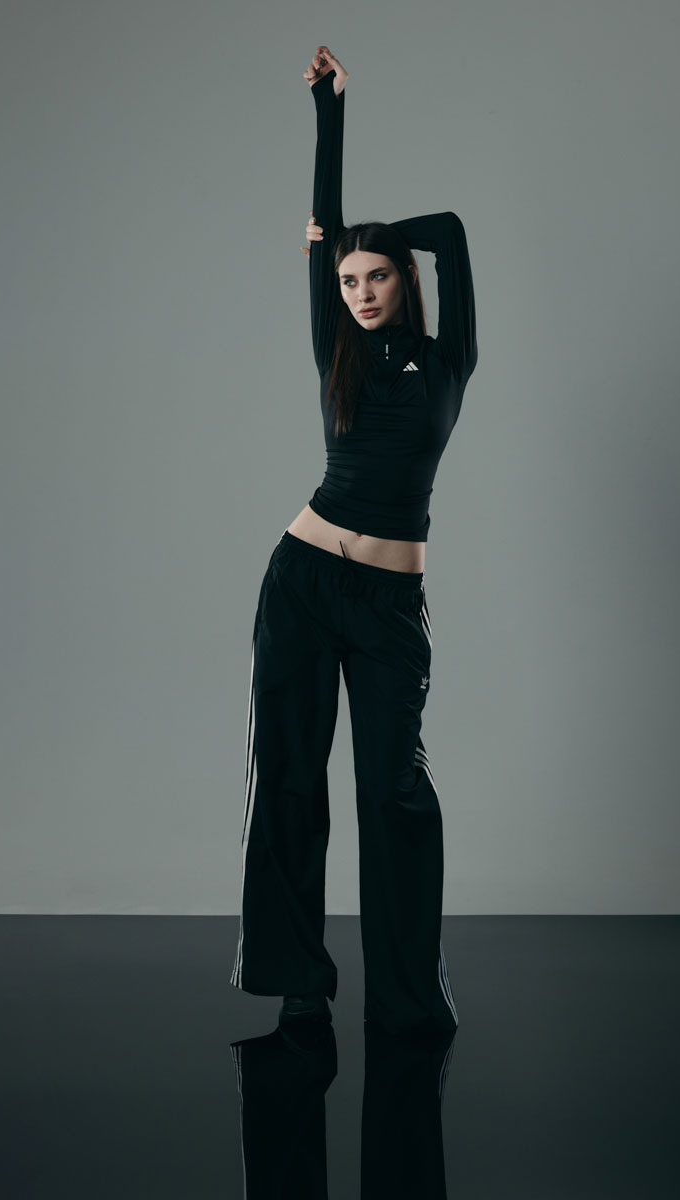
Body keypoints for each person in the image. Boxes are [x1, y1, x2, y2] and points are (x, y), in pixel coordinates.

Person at [229, 45, 478, 1035]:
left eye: (376, 276)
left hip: (386, 605)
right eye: (346, 280)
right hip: (302, 579)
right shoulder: (333, 344)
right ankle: (298, 981)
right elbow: (325, 232)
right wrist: (329, 114)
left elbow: (450, 231)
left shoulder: (448, 358)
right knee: (290, 777)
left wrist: (364, 234)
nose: (361, 290)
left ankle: (410, 993)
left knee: (395, 793)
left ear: (402, 280)